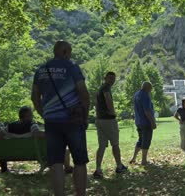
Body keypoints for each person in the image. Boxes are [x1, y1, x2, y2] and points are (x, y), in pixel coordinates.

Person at [31, 40, 90, 196]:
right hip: (73, 121)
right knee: (79, 161)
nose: (70, 56)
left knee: (56, 162)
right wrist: (85, 115)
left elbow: (34, 96)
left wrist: (44, 113)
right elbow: (83, 92)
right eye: (69, 52)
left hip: (51, 122)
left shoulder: (41, 70)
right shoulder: (72, 67)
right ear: (65, 52)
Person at [93, 72, 127, 179]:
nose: (112, 80)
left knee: (102, 146)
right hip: (108, 120)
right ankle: (119, 166)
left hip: (99, 120)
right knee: (115, 144)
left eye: (113, 78)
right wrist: (113, 112)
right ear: (105, 78)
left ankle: (98, 169)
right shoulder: (106, 88)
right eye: (110, 78)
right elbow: (108, 100)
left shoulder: (101, 88)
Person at [129, 81, 156, 165]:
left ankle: (134, 158)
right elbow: (147, 111)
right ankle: (144, 160)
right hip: (145, 122)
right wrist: (152, 122)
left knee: (140, 140)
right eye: (150, 89)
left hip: (138, 121)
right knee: (146, 140)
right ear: (147, 88)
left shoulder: (137, 94)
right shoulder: (145, 95)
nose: (150, 91)